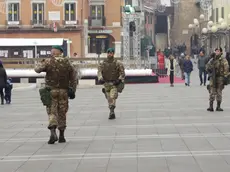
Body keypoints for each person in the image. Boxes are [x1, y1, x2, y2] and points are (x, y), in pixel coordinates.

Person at [34, 45, 77, 144]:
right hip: (64, 92)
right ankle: (62, 135)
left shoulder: (49, 61)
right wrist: (73, 91)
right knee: (62, 112)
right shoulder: (68, 63)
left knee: (52, 112)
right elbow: (74, 78)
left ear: (53, 52)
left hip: (51, 91)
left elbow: (37, 69)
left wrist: (42, 62)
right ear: (61, 53)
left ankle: (53, 131)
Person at [98, 48, 125, 120]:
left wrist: (119, 80)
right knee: (109, 98)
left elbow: (122, 73)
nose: (110, 54)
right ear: (107, 53)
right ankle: (111, 110)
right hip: (106, 83)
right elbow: (99, 71)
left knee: (113, 97)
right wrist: (100, 78)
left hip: (114, 83)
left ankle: (112, 111)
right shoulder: (103, 63)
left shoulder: (117, 63)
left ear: (113, 54)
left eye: (112, 53)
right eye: (109, 53)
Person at [206, 47, 229, 111]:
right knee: (212, 91)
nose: (217, 52)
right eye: (216, 51)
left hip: (220, 78)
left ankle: (218, 106)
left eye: (218, 51)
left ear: (221, 52)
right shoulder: (212, 59)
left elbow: (226, 68)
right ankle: (211, 106)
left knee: (219, 92)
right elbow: (207, 67)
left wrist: (225, 77)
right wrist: (210, 69)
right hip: (213, 78)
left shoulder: (223, 60)